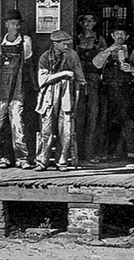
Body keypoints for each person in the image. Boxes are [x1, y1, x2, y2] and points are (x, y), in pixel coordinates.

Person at [36, 29, 86, 171]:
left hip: (67, 95)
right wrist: (63, 73)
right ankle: (42, 162)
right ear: (55, 43)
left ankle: (62, 162)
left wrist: (79, 91)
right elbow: (42, 80)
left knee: (66, 130)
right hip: (49, 96)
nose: (66, 47)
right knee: (47, 130)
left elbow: (80, 76)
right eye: (64, 44)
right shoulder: (45, 57)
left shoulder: (72, 55)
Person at [93, 22, 134, 160]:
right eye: (117, 34)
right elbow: (96, 63)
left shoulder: (132, 51)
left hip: (125, 88)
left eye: (122, 34)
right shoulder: (105, 50)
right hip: (107, 88)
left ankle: (133, 153)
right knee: (104, 120)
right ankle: (102, 153)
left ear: (127, 36)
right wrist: (109, 50)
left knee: (129, 121)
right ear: (112, 35)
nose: (120, 36)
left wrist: (132, 69)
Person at [0, 8, 33, 169]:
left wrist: (34, 86)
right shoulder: (0, 42)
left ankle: (22, 158)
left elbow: (28, 65)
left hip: (18, 89)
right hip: (2, 91)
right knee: (0, 124)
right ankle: (3, 156)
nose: (15, 27)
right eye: (12, 24)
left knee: (18, 124)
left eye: (17, 24)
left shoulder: (25, 41)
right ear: (6, 24)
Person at [74, 12, 107, 163]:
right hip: (78, 82)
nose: (88, 22)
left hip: (94, 82)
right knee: (78, 117)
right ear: (80, 23)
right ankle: (77, 153)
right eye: (85, 20)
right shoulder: (76, 38)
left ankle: (90, 153)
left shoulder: (99, 39)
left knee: (93, 116)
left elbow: (103, 61)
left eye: (91, 19)